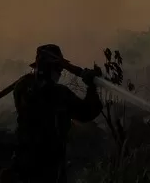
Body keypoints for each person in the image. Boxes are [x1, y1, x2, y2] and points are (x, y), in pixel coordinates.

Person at [13, 44, 103, 183]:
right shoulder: (58, 94)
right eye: (58, 69)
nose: (60, 73)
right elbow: (87, 112)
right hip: (47, 167)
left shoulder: (23, 87)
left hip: (27, 166)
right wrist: (91, 87)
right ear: (51, 69)